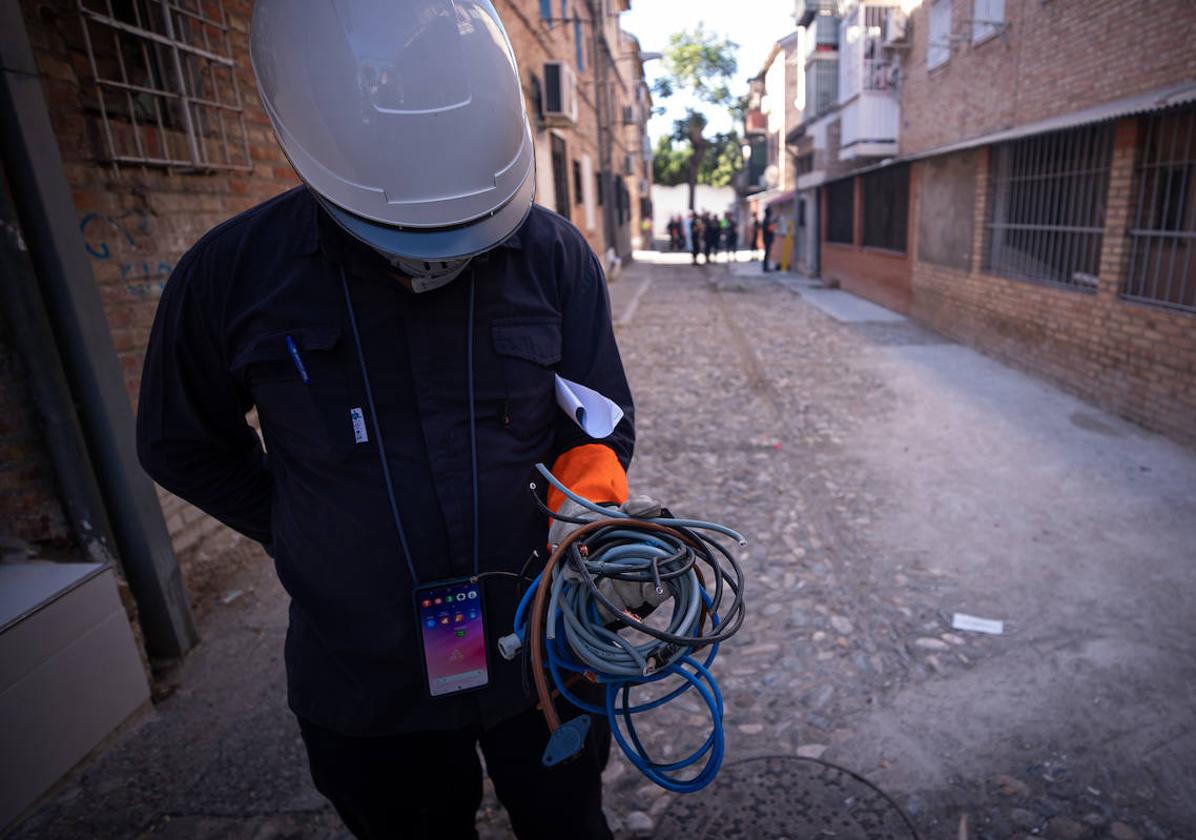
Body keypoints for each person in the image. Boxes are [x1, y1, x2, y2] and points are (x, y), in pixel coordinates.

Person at [136, 3, 652, 838]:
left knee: (568, 825)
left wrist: (596, 519)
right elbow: (178, 443)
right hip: (367, 681)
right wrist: (303, 526)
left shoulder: (554, 256)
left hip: (545, 662)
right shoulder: (230, 276)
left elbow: (599, 420)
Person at [762, 207, 776, 272]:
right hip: (767, 239)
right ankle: (765, 267)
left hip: (767, 239)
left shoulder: (767, 220)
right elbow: (769, 229)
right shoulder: (766, 220)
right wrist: (773, 225)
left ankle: (766, 267)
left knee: (767, 254)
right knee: (767, 254)